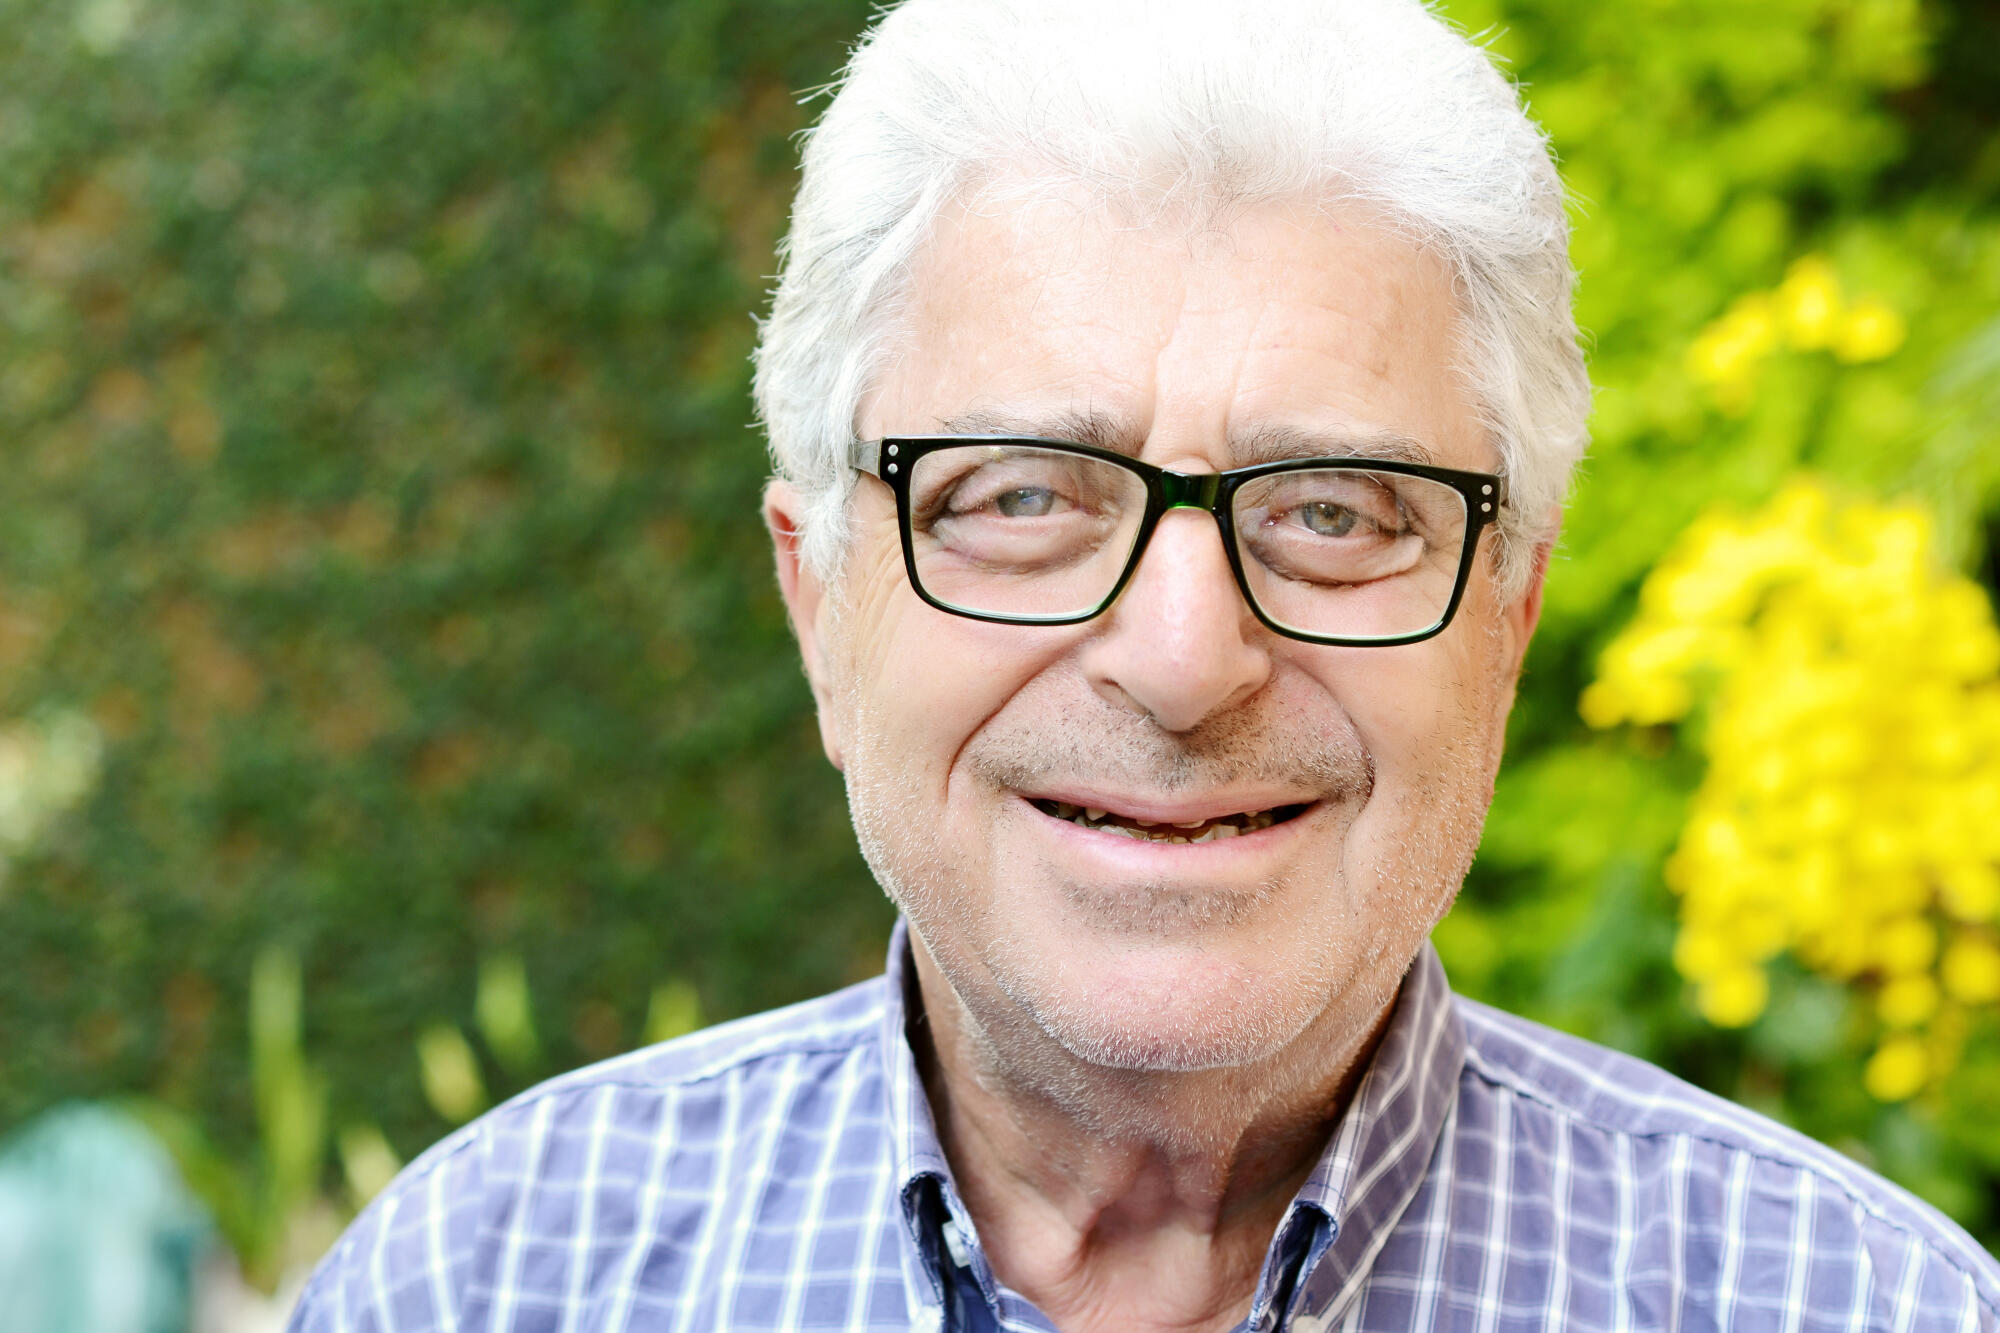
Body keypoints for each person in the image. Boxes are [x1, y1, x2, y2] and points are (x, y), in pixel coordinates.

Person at [288, 1, 2000, 1329]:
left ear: (1509, 620)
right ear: (821, 606)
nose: (1186, 659)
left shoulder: (1864, 1304)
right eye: (1021, 495)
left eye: (1336, 510)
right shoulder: (482, 1283)